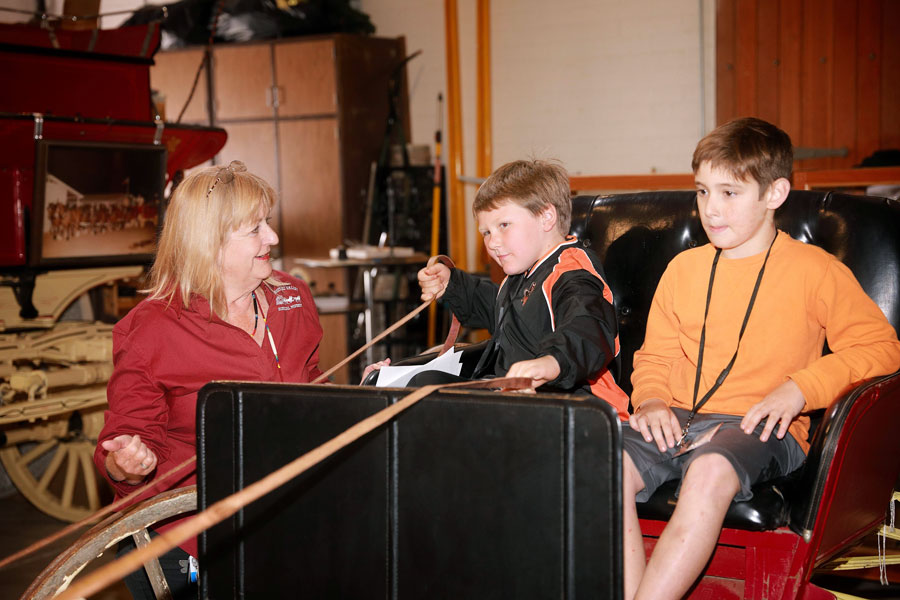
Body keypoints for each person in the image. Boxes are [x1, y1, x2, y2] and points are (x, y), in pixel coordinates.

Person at [622, 117, 900, 600]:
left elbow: (881, 349)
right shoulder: (683, 268)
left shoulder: (815, 270)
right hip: (678, 416)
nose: (711, 209)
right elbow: (655, 356)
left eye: (729, 193)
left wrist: (801, 388)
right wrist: (648, 400)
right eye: (702, 191)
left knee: (709, 472)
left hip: (763, 422)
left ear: (775, 194)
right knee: (601, 466)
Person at [93, 161, 326, 600]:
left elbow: (312, 381)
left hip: (285, 516)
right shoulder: (151, 329)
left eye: (268, 223)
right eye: (255, 229)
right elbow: (124, 441)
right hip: (188, 543)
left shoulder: (293, 297)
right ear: (210, 243)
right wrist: (126, 463)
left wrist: (352, 396)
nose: (272, 238)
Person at [416, 159, 629, 416]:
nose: (493, 243)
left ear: (546, 217)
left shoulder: (572, 271)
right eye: (486, 233)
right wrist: (451, 283)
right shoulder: (521, 273)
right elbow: (501, 310)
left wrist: (551, 362)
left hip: (580, 411)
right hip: (525, 405)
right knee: (419, 388)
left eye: (503, 226)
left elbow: (587, 326)